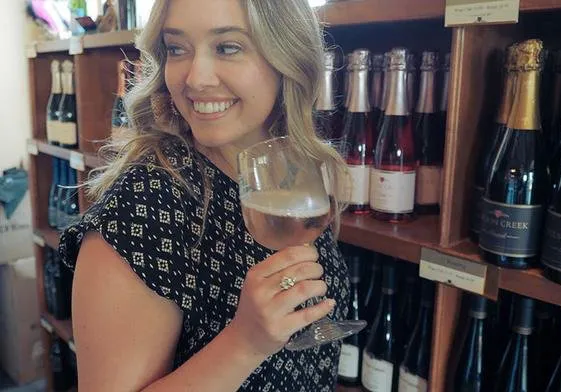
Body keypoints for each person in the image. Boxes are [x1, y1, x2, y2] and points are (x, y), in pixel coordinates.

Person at [58, 0, 351, 390]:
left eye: (227, 47)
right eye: (177, 49)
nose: (195, 78)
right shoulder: (144, 205)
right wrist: (246, 343)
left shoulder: (292, 162)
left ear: (287, 53)